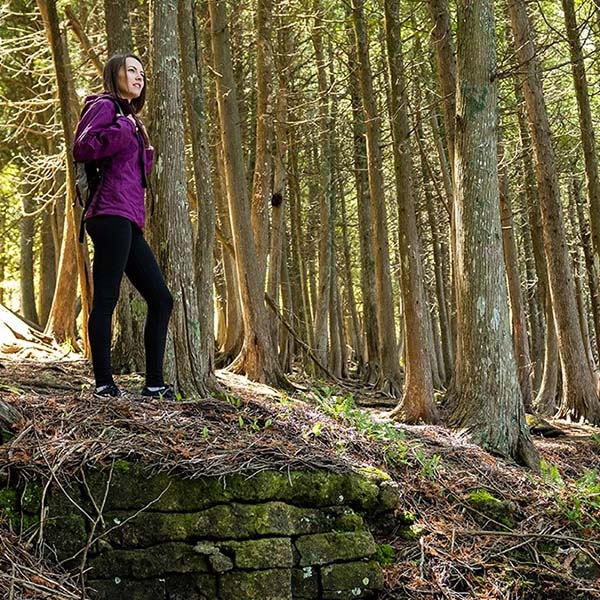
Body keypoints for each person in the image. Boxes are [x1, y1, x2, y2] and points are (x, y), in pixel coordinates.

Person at [73, 53, 174, 399]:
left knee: (161, 299)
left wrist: (141, 141)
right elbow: (84, 147)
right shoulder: (104, 107)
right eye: (131, 70)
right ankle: (104, 384)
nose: (139, 76)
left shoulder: (131, 119)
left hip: (128, 218)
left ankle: (154, 384)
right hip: (108, 213)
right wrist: (125, 128)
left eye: (142, 72)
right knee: (106, 297)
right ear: (114, 75)